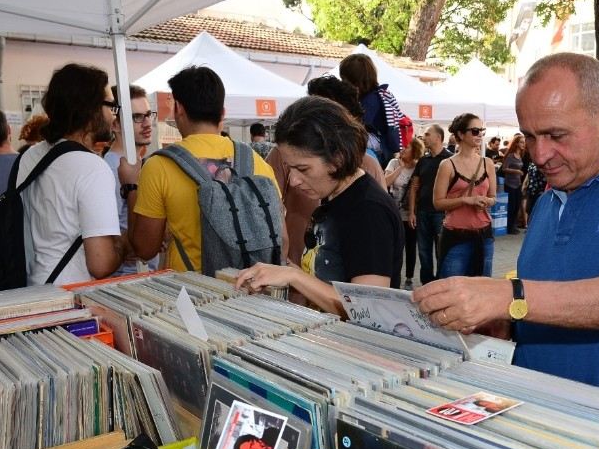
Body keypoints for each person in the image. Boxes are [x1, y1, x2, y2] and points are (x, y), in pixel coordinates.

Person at [413, 52, 599, 402]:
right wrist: (502, 321)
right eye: (530, 136)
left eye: (556, 135)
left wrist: (507, 297)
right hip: (530, 403)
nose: (540, 154)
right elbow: (541, 300)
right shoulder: (549, 200)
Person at [235, 96, 402, 316]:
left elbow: (368, 308)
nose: (293, 180)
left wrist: (294, 276)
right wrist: (280, 272)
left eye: (303, 169)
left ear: (338, 159)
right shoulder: (335, 195)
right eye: (290, 168)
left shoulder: (368, 211)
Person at [131, 66, 280, 272]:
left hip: (190, 293)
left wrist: (130, 187)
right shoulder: (257, 162)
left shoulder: (159, 166)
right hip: (249, 290)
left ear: (179, 109)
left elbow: (145, 249)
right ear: (223, 113)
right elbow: (282, 236)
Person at [18, 63, 121, 285]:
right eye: (111, 106)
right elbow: (100, 263)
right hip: (70, 296)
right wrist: (124, 248)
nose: (114, 116)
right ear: (90, 108)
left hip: (29, 286)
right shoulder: (91, 167)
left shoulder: (29, 156)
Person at [269, 75, 384, 268]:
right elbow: (268, 204)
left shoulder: (369, 169)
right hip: (296, 271)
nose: (295, 179)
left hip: (340, 280)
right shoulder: (283, 155)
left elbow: (377, 238)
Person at [102, 84, 158, 275]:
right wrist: (148, 237)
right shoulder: (109, 169)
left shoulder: (141, 164)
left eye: (148, 114)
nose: (147, 123)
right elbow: (107, 239)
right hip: (123, 279)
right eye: (136, 117)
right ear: (115, 124)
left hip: (142, 276)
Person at [433, 113, 497, 278]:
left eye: (482, 131)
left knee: (482, 289)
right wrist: (465, 200)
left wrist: (485, 201)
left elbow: (493, 197)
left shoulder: (487, 163)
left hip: (484, 235)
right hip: (456, 235)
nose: (480, 135)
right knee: (451, 290)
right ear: (461, 134)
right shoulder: (447, 165)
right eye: (475, 131)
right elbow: (438, 203)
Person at [409, 124, 452, 286]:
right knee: (424, 252)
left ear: (438, 137)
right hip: (423, 212)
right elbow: (414, 187)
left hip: (442, 213)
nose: (424, 137)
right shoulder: (423, 160)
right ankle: (427, 284)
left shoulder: (449, 160)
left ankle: (441, 285)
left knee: (441, 251)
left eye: (427, 134)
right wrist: (412, 211)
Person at [339, 54, 403, 163]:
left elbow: (356, 126)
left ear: (354, 80)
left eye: (344, 79)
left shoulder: (370, 101)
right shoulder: (378, 95)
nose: (342, 83)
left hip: (377, 150)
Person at [384, 137, 425, 289]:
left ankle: (408, 277)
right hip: (393, 213)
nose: (402, 150)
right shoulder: (394, 163)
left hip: (410, 214)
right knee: (395, 247)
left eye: (406, 148)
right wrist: (400, 168)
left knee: (410, 246)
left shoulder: (418, 167)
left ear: (414, 150)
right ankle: (394, 276)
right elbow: (385, 182)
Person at [501, 134, 526, 233]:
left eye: (524, 142)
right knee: (511, 206)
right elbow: (504, 168)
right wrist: (516, 171)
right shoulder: (511, 155)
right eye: (521, 142)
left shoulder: (520, 155)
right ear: (516, 144)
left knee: (516, 205)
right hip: (510, 184)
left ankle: (513, 225)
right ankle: (509, 227)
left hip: (517, 183)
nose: (523, 144)